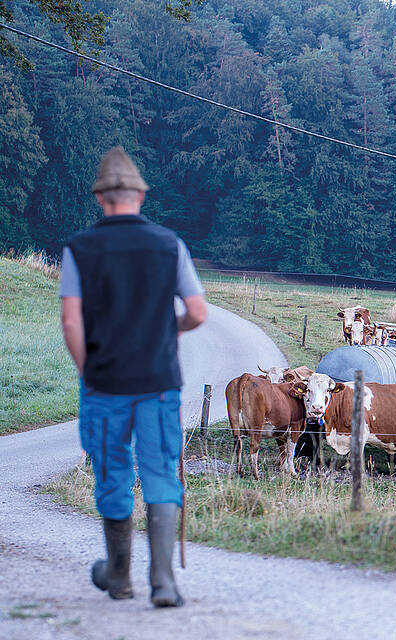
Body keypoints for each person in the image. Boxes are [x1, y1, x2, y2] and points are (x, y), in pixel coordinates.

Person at [59, 146, 207, 608]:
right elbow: (198, 313)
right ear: (140, 197)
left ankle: (118, 576)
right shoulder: (169, 244)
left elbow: (71, 322)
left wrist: (90, 371)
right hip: (159, 382)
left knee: (113, 473)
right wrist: (170, 328)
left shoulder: (79, 249)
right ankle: (163, 581)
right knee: (160, 471)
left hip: (105, 384)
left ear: (100, 198)